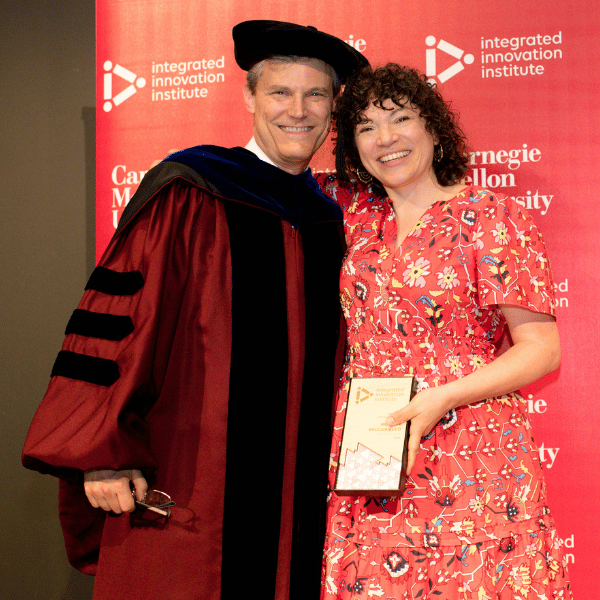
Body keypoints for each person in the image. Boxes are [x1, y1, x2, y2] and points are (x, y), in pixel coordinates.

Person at [22, 20, 368, 600]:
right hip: (193, 483)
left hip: (304, 499)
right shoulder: (191, 188)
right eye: (280, 92)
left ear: (334, 106)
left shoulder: (330, 216)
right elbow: (120, 327)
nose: (297, 111)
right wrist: (102, 458)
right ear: (249, 96)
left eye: (315, 95)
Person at [318, 64, 572, 599]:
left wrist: (440, 398)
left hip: (469, 446)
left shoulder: (493, 216)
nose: (385, 138)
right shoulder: (357, 224)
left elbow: (541, 350)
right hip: (374, 447)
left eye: (401, 118)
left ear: (434, 128)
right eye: (365, 127)